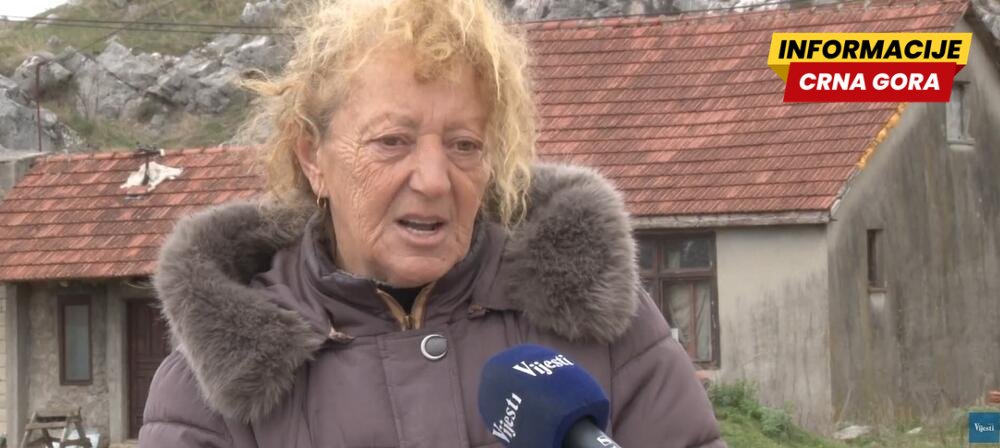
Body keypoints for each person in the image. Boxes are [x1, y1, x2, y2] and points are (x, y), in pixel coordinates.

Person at [138, 0, 724, 446]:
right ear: (313, 158)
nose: (435, 180)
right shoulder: (210, 388)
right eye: (392, 141)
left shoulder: (600, 323)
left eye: (464, 144)